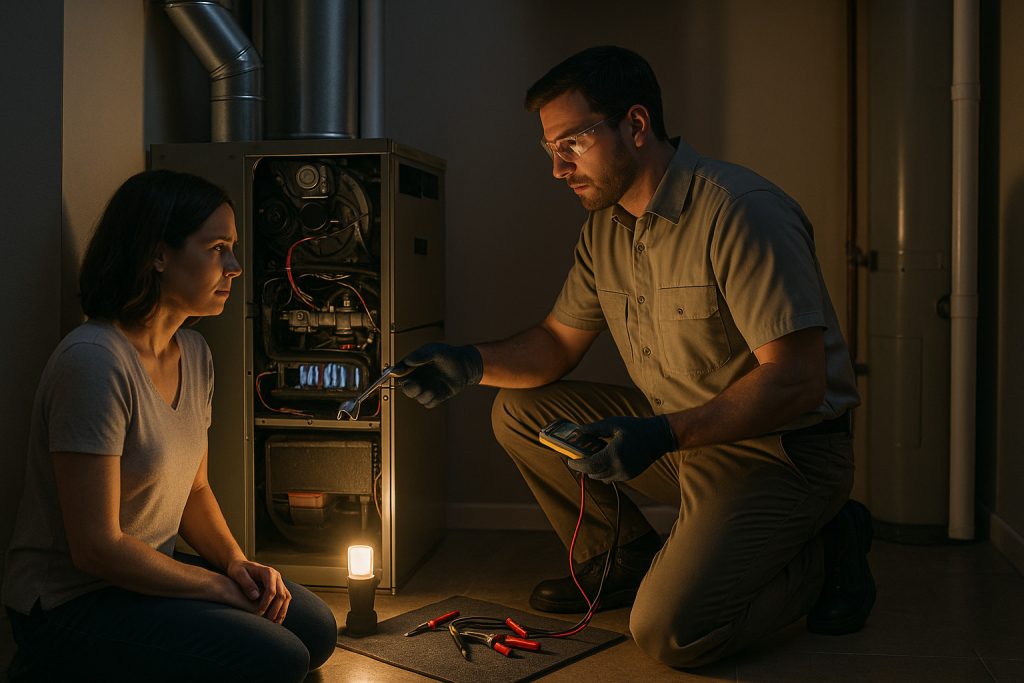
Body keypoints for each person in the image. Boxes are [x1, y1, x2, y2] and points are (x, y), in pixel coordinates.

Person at [393, 46, 875, 668]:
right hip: (682, 440)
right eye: (551, 150)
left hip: (782, 451)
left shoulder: (741, 211)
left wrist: (662, 433)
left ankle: (828, 547)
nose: (559, 169)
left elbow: (798, 381)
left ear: (636, 126)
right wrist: (467, 362)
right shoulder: (605, 230)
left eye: (573, 143)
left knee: (671, 633)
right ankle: (616, 557)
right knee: (518, 411)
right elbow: (554, 346)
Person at [2, 170, 337, 682]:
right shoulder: (94, 362)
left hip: (142, 577)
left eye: (233, 248)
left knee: (315, 629)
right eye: (217, 248)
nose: (235, 266)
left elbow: (195, 489)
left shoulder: (195, 353)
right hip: (72, 602)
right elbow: (96, 547)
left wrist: (234, 565)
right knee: (281, 658)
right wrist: (213, 590)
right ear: (159, 254)